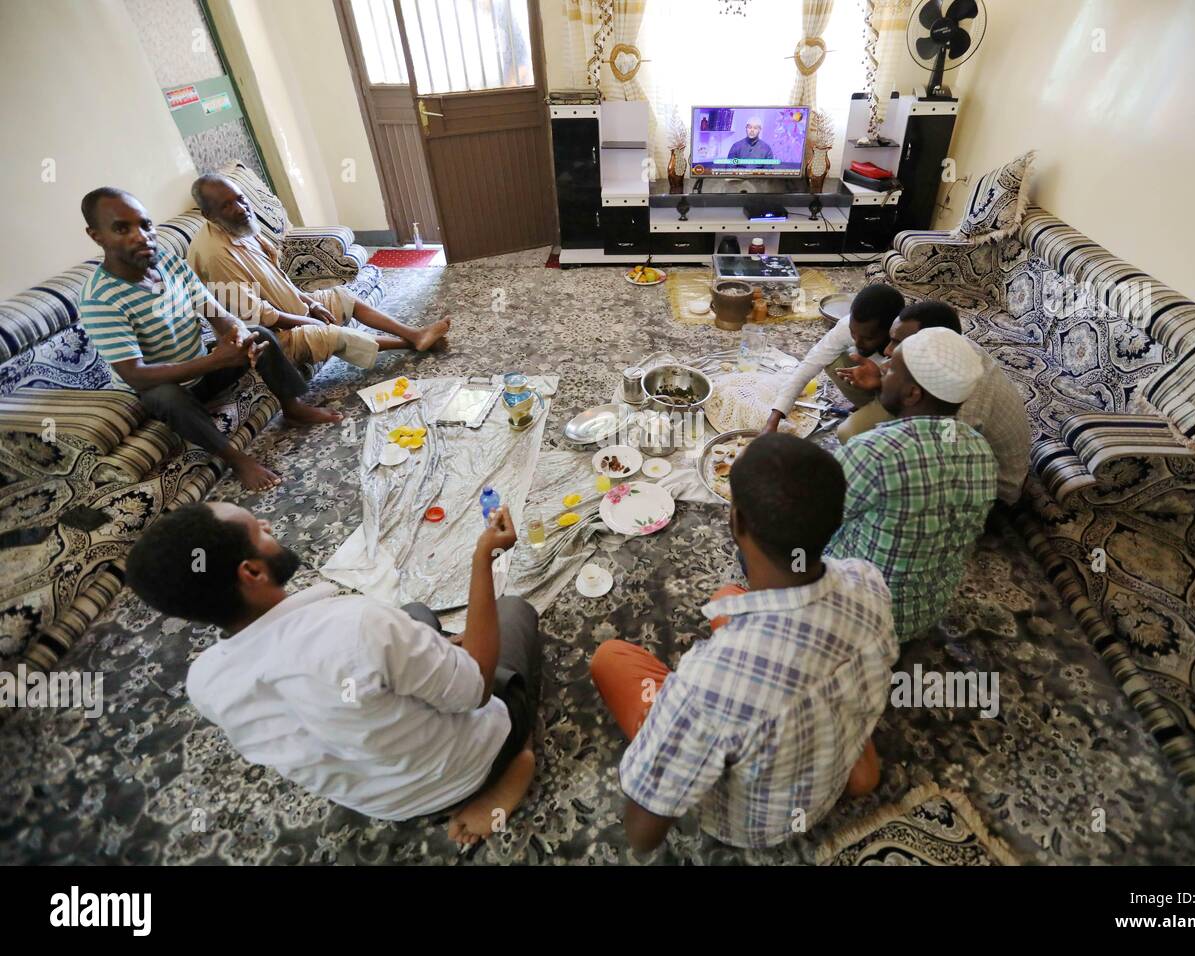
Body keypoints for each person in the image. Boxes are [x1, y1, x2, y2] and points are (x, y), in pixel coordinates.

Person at [125, 501, 542, 846]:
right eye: (260, 531)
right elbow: (478, 689)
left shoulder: (204, 682)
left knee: (415, 616)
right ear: (252, 573)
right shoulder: (357, 624)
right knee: (513, 612)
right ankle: (513, 762)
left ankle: (429, 670)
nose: (269, 524)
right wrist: (482, 558)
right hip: (466, 768)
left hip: (386, 801)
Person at [590, 433, 897, 852]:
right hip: (827, 767)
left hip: (753, 824)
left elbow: (643, 835)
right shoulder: (868, 581)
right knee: (726, 599)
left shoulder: (706, 684)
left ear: (735, 522)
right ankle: (855, 767)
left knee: (610, 657)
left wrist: (669, 737)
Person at [78, 187, 340, 492]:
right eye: (122, 229)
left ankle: (292, 406)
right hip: (161, 385)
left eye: (145, 225)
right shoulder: (100, 299)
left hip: (202, 365)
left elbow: (216, 313)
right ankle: (235, 459)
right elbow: (135, 375)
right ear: (97, 236)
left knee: (259, 334)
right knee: (165, 396)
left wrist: (237, 333)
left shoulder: (168, 263)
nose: (141, 236)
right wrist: (216, 359)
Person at [826, 327, 998, 642]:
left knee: (764, 533)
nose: (882, 370)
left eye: (890, 371)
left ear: (912, 395)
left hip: (857, 615)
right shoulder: (980, 448)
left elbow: (812, 522)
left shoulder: (874, 451)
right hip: (922, 614)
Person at [187, 174, 449, 364]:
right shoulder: (215, 255)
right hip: (268, 337)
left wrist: (311, 304)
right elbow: (257, 315)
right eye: (227, 205)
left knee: (344, 297)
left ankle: (414, 335)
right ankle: (413, 342)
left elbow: (278, 278)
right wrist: (309, 320)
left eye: (241, 199)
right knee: (332, 334)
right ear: (209, 215)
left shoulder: (239, 226)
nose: (241, 209)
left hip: (288, 307)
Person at [841, 300, 1030, 503]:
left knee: (856, 439)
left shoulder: (961, 404)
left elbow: (941, 461)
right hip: (957, 457)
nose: (887, 350)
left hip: (993, 494)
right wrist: (883, 382)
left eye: (898, 343)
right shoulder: (951, 351)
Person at [762, 282, 903, 435]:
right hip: (880, 386)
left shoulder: (909, 346)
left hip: (899, 402)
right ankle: (866, 405)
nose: (857, 342)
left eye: (868, 338)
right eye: (853, 333)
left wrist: (880, 384)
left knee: (847, 433)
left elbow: (913, 403)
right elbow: (808, 366)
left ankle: (877, 414)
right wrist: (773, 421)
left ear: (891, 330)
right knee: (833, 360)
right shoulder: (848, 327)